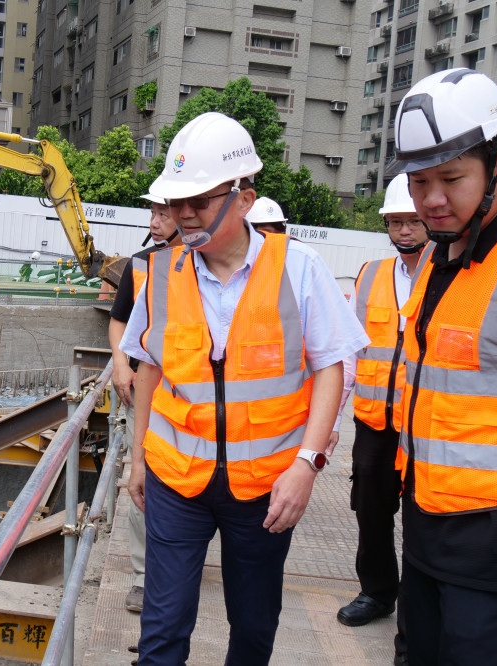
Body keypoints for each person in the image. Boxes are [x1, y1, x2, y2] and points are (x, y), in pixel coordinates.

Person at [121, 112, 368, 664]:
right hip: (175, 480)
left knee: (253, 627)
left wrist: (306, 464)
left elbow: (332, 365)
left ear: (243, 198)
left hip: (265, 487)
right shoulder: (161, 274)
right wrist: (138, 459)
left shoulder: (298, 269)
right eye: (175, 203)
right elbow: (149, 369)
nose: (183, 215)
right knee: (161, 630)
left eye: (199, 202)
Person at [392, 67, 497, 666]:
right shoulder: (443, 254)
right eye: (419, 182)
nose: (431, 201)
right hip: (426, 532)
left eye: (451, 178)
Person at [334, 174, 425, 665]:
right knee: (370, 510)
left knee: (420, 517)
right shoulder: (369, 275)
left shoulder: (448, 272)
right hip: (374, 422)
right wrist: (332, 420)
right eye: (396, 221)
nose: (405, 230)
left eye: (413, 220)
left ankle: (417, 602)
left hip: (425, 428)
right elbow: (351, 352)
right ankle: (377, 591)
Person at [108, 192, 181, 613]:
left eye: (163, 212)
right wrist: (121, 365)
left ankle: (180, 555)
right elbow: (120, 320)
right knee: (144, 475)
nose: (156, 220)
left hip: (195, 394)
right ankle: (144, 575)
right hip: (145, 387)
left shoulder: (205, 261)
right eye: (152, 212)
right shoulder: (141, 263)